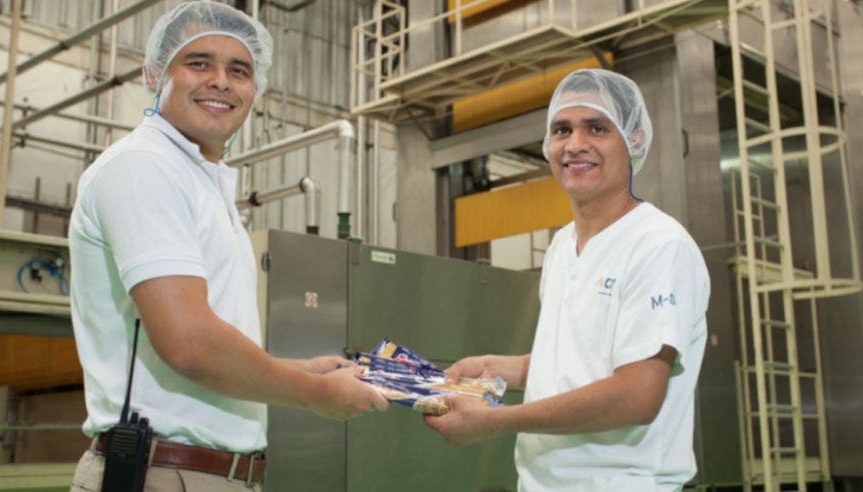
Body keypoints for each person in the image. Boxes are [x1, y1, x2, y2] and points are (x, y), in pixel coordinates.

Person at [67, 2, 388, 490]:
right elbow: (190, 344)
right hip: (161, 473)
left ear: (254, 89)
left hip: (200, 473)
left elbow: (197, 341)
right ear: (156, 75)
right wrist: (314, 393)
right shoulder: (143, 168)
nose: (220, 80)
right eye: (198, 63)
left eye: (239, 70)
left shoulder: (197, 181)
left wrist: (294, 369)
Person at [424, 68, 710, 492]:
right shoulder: (562, 247)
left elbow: (637, 395)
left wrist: (495, 422)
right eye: (561, 130)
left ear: (633, 141)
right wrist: (504, 369)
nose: (575, 144)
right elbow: (582, 362)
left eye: (596, 128)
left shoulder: (658, 245)